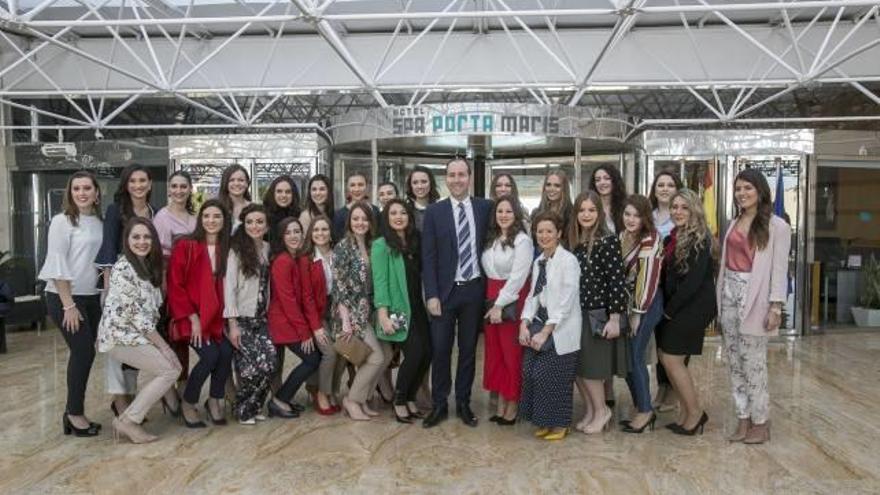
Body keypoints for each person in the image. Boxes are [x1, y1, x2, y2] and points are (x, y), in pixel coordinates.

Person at [718, 169, 790, 444]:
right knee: (734, 362)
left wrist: (775, 307)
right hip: (729, 295)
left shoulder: (777, 226)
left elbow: (779, 269)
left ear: (760, 191)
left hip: (756, 297)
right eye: (738, 189)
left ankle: (761, 420)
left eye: (748, 188)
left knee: (754, 364)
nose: (742, 193)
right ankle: (743, 417)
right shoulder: (733, 222)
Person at [421, 157, 493, 428]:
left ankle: (463, 402)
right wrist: (431, 294)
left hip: (474, 291)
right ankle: (440, 404)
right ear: (446, 178)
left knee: (468, 351)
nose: (457, 180)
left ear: (470, 177)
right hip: (444, 293)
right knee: (440, 350)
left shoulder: (486, 208)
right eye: (452, 175)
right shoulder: (434, 212)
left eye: (462, 174)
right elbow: (428, 257)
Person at [97, 218, 181, 444]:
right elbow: (136, 316)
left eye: (147, 237)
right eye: (136, 237)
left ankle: (127, 419)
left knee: (171, 369)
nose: (142, 241)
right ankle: (129, 421)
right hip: (120, 336)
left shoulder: (146, 267)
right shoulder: (124, 267)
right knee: (170, 369)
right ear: (127, 240)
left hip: (135, 334)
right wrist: (164, 347)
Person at [39, 170, 104, 437]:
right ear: (70, 193)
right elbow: (57, 264)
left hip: (92, 297)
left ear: (96, 192)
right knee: (83, 353)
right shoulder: (62, 221)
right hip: (65, 297)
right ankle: (74, 414)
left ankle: (74, 412)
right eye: (76, 188)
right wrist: (68, 305)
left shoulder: (99, 222)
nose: (82, 193)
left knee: (89, 352)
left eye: (87, 188)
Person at [95, 164, 155, 419]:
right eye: (133, 181)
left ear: (150, 184)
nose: (138, 185)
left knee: (136, 344)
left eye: (142, 180)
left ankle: (129, 397)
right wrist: (109, 291)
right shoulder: (114, 210)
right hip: (118, 286)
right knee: (116, 346)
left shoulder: (154, 211)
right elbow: (108, 248)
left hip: (144, 285)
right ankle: (120, 401)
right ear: (126, 185)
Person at [166, 199, 233, 429]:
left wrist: (227, 321)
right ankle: (189, 401)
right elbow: (176, 285)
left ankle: (214, 400)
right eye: (206, 216)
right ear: (200, 219)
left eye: (217, 216)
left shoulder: (228, 249)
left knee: (226, 351)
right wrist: (193, 319)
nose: (211, 221)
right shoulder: (187, 245)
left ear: (225, 221)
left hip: (216, 318)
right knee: (210, 356)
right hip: (190, 317)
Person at [657, 189, 716, 436]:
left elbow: (692, 283)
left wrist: (668, 312)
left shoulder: (700, 239)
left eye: (684, 207)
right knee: (667, 358)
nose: (678, 212)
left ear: (694, 210)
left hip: (692, 308)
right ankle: (685, 412)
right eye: (675, 207)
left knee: (672, 360)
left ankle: (695, 413)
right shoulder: (673, 237)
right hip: (678, 307)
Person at [569, 191, 629, 435]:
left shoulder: (608, 241)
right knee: (579, 368)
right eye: (582, 210)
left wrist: (615, 318)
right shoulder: (576, 243)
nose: (586, 214)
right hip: (577, 313)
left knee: (592, 369)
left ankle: (602, 410)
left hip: (598, 315)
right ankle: (592, 411)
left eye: (591, 210)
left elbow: (617, 282)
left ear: (599, 213)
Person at [518, 212, 582, 441]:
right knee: (529, 371)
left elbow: (566, 301)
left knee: (548, 374)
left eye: (549, 231)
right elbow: (532, 297)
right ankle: (544, 422)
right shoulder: (539, 261)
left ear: (559, 234)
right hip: (539, 322)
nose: (544, 236)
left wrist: (546, 331)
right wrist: (524, 324)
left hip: (560, 328)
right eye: (540, 231)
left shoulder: (569, 261)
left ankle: (560, 424)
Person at [371, 199, 431, 423]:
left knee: (428, 352)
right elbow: (380, 282)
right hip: (397, 310)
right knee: (414, 352)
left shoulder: (415, 241)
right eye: (393, 213)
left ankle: (410, 397)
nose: (398, 217)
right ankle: (399, 399)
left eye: (403, 213)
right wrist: (383, 314)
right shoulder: (380, 245)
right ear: (386, 218)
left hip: (418, 306)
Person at [332, 201, 392, 421]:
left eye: (364, 219)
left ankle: (363, 398)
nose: (360, 223)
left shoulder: (374, 244)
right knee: (375, 357)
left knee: (386, 356)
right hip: (351, 311)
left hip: (372, 309)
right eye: (356, 218)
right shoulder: (342, 247)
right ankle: (351, 400)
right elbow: (338, 287)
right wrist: (346, 321)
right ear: (349, 221)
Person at [480, 195, 533, 425]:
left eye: (508, 211)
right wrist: (493, 304)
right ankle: (501, 401)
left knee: (512, 354)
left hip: (512, 299)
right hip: (491, 296)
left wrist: (500, 305)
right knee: (496, 353)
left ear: (516, 214)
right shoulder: (491, 238)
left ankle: (513, 404)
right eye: (500, 211)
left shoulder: (522, 240)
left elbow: (519, 277)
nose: (503, 215)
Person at [225, 204, 275, 425]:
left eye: (259, 222)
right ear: (244, 225)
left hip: (262, 317)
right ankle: (243, 410)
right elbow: (230, 288)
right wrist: (233, 324)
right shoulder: (235, 251)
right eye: (250, 222)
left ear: (266, 226)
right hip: (242, 317)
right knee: (248, 369)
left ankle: (253, 406)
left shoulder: (267, 248)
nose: (255, 226)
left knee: (269, 362)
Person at [267, 217, 321, 419]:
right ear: (282, 237)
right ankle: (279, 400)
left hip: (292, 320)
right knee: (312, 358)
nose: (293, 236)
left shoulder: (297, 258)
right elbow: (288, 301)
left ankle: (283, 398)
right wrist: (305, 332)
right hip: (283, 322)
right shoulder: (283, 261)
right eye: (288, 232)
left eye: (297, 231)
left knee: (312, 358)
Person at [618, 195, 664, 433]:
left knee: (635, 356)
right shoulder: (622, 237)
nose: (631, 219)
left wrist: (637, 312)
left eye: (637, 215)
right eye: (627, 214)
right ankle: (640, 405)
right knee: (627, 359)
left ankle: (646, 411)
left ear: (645, 217)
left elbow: (647, 280)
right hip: (629, 304)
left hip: (647, 303)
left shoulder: (651, 239)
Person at [152, 170, 197, 408]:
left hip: (191, 281)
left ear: (190, 189)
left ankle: (183, 386)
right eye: (175, 186)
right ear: (169, 189)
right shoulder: (162, 217)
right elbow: (158, 257)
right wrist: (164, 290)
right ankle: (169, 391)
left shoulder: (194, 218)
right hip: (169, 281)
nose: (179, 190)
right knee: (172, 336)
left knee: (184, 337)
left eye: (183, 186)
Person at [648, 169, 685, 412]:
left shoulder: (682, 216)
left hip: (676, 287)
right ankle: (662, 386)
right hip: (653, 288)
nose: (664, 189)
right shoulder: (648, 216)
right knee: (659, 341)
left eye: (670, 185)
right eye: (660, 184)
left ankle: (674, 391)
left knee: (674, 342)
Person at [298, 215, 339, 414]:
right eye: (316, 230)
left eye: (324, 229)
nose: (320, 234)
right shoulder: (306, 260)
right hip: (316, 313)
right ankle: (321, 393)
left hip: (338, 311)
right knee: (329, 353)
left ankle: (330, 390)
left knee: (341, 350)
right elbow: (307, 297)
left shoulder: (339, 254)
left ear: (331, 233)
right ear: (310, 234)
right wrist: (316, 326)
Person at [333, 172, 380, 239]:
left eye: (360, 185)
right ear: (347, 188)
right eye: (352, 185)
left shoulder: (375, 211)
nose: (357, 189)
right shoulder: (339, 215)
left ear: (367, 187)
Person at [530, 170, 573, 242]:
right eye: (548, 185)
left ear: (564, 189)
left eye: (557, 185)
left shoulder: (572, 214)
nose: (551, 189)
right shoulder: (536, 214)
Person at [589, 165, 626, 234]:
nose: (602, 183)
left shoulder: (625, 206)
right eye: (598, 180)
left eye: (607, 178)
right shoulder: (589, 206)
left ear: (615, 181)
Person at [217, 164, 252, 232]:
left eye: (241, 180)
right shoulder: (217, 207)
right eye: (232, 180)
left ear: (247, 183)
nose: (236, 183)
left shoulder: (253, 208)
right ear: (225, 183)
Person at [405, 166, 439, 231]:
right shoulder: (405, 210)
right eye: (415, 182)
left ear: (431, 183)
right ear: (410, 185)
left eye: (424, 182)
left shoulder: (441, 209)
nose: (420, 186)